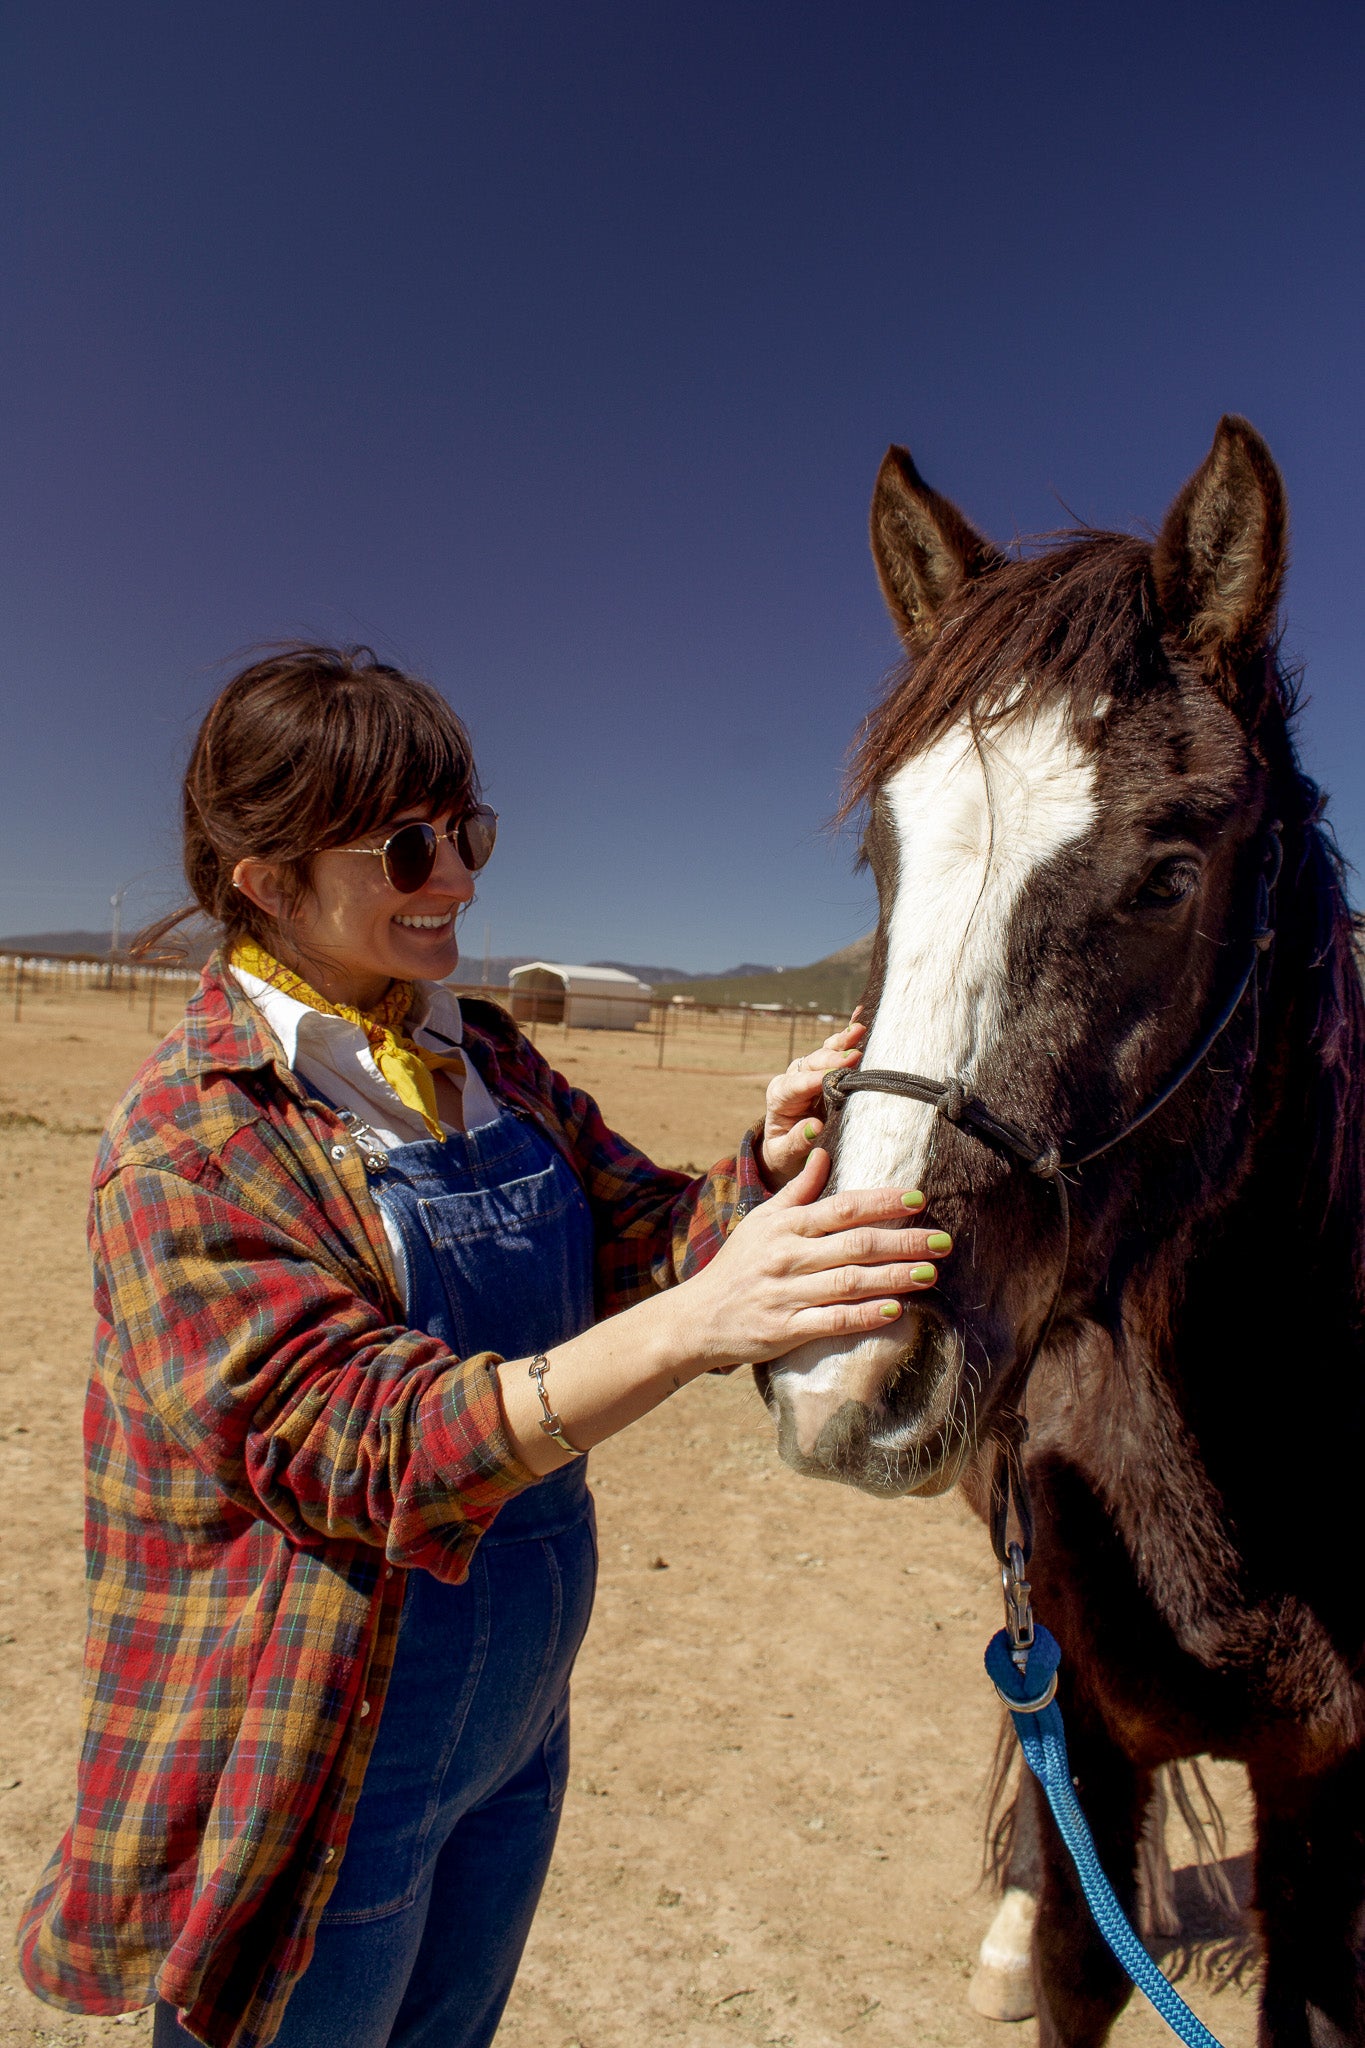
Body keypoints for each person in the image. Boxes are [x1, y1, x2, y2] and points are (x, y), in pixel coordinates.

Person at [18, 647, 950, 2048]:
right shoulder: (195, 1139)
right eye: (406, 849)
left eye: (469, 833)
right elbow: (360, 1442)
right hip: (324, 1740)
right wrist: (694, 1325)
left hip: (512, 1729)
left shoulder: (485, 1055)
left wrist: (762, 1164)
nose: (455, 878)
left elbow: (637, 1235)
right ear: (268, 882)